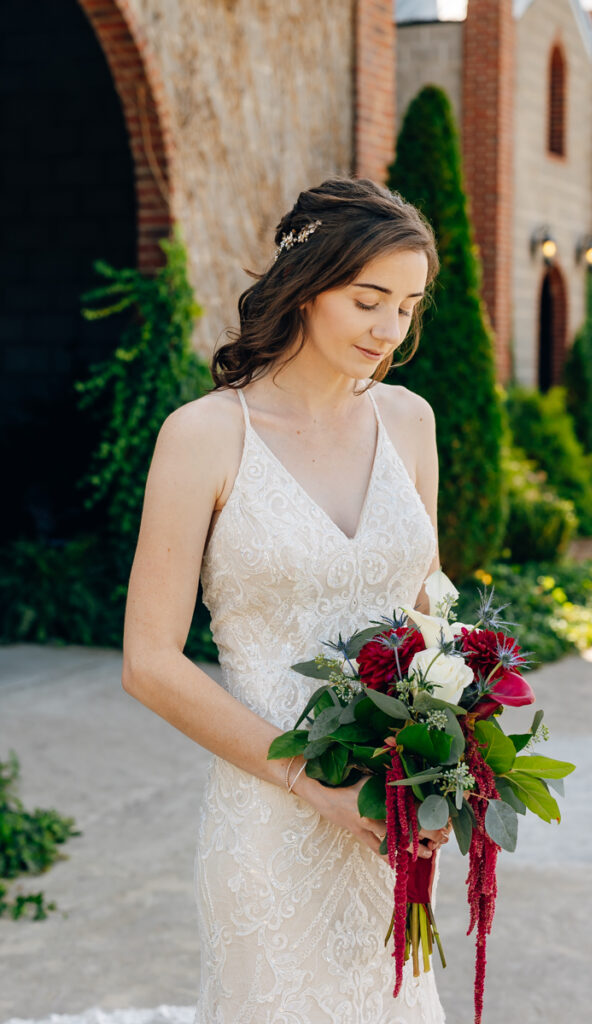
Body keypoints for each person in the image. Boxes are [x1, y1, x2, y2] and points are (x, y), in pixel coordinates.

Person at [122, 176, 450, 1023]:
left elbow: (429, 616)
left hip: (392, 814)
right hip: (270, 818)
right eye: (367, 299)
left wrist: (450, 763)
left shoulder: (410, 423)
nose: (389, 331)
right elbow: (150, 663)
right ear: (305, 290)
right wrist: (310, 782)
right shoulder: (204, 435)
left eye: (407, 307)